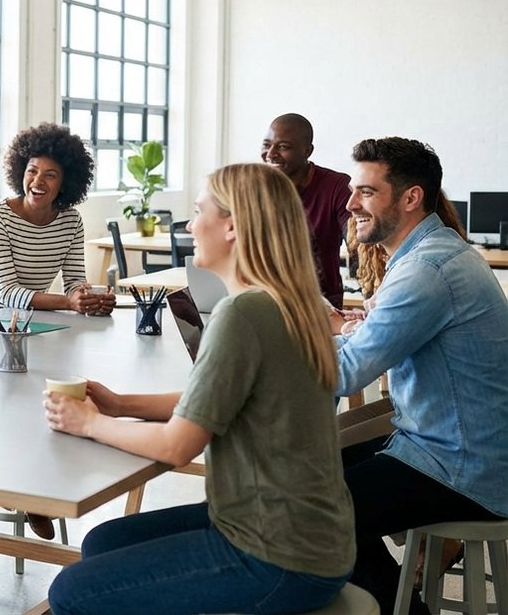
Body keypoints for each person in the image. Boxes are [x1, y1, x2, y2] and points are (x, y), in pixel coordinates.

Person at [45, 163, 355, 615]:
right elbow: (215, 402)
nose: (189, 226)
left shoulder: (243, 314)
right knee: (105, 540)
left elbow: (177, 446)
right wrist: (120, 403)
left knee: (72, 593)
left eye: (197, 211)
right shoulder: (296, 301)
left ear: (232, 226)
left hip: (275, 555)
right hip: (315, 538)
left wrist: (91, 423)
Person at [331, 137, 508, 615]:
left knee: (315, 511)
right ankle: (398, 600)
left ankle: (399, 607)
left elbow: (346, 372)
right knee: (319, 468)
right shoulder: (430, 253)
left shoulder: (427, 268)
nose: (350, 204)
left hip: (463, 466)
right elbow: (356, 349)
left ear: (410, 198)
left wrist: (259, 359)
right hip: (444, 444)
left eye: (366, 192)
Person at [0, 122, 115, 316]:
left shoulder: (71, 221)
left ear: (65, 183)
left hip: (28, 319)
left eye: (50, 175)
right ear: (21, 171)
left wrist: (91, 299)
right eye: (32, 171)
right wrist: (69, 303)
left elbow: (74, 282)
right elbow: (7, 293)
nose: (38, 181)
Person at [261, 113, 351, 307]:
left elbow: (358, 240)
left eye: (283, 147)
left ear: (307, 151)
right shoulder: (254, 189)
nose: (270, 154)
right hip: (264, 300)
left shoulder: (336, 186)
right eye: (267, 145)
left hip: (320, 306)